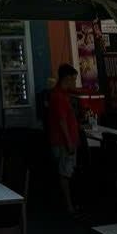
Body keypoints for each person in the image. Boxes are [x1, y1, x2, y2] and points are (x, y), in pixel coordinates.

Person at [48, 63, 80, 215]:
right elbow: (62, 121)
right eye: (73, 79)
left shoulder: (58, 94)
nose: (74, 83)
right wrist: (69, 142)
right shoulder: (60, 97)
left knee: (65, 172)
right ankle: (69, 205)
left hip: (61, 140)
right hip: (63, 142)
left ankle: (68, 203)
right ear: (67, 78)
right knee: (65, 173)